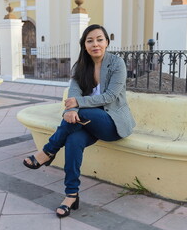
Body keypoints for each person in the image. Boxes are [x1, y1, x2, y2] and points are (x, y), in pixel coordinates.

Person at [23, 24, 136, 218]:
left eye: (100, 39)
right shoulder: (80, 67)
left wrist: (77, 105)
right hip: (86, 123)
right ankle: (71, 195)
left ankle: (48, 151)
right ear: (84, 45)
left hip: (111, 123)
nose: (95, 44)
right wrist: (73, 109)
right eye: (89, 40)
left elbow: (110, 96)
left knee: (82, 114)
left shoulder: (117, 64)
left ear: (107, 42)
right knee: (73, 142)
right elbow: (73, 94)